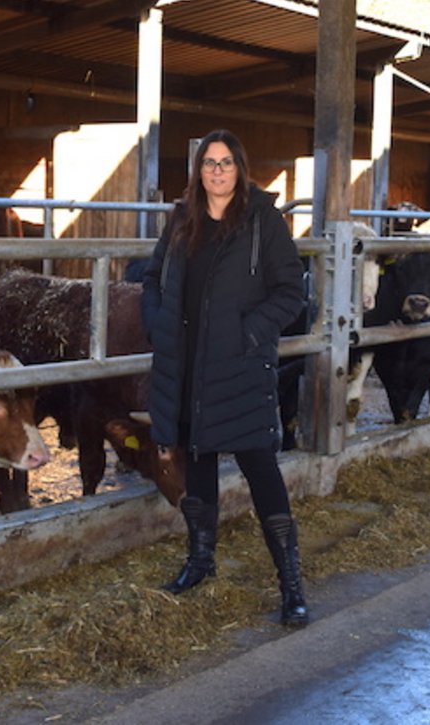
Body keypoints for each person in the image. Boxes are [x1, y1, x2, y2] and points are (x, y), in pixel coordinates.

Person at [139, 128, 309, 627]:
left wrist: (247, 334)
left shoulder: (262, 220)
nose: (216, 171)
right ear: (199, 171)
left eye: (225, 162)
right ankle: (201, 562)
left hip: (239, 366)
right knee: (201, 461)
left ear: (240, 167)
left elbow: (290, 291)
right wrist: (157, 322)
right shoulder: (181, 219)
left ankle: (291, 583)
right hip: (187, 363)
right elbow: (152, 279)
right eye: (209, 163)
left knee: (261, 469)